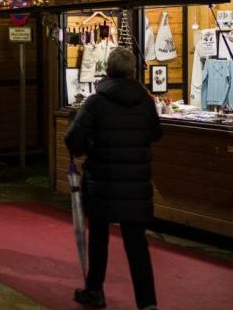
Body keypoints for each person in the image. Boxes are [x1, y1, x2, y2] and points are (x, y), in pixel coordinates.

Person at [65, 47, 161, 310]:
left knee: (99, 238)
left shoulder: (96, 102)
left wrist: (89, 146)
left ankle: (95, 290)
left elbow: (73, 140)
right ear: (132, 71)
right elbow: (156, 133)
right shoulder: (145, 101)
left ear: (108, 69)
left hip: (103, 182)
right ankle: (147, 302)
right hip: (136, 184)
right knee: (137, 244)